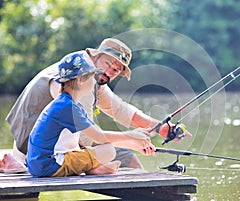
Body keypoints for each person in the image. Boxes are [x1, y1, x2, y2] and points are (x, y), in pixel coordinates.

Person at [6, 38, 191, 172]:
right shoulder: (81, 80)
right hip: (38, 155)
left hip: (37, 151)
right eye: (108, 63)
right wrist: (132, 141)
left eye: (116, 70)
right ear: (96, 56)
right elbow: (88, 139)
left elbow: (120, 110)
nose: (110, 71)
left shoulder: (83, 70)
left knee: (120, 155)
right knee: (126, 157)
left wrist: (159, 128)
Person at [26, 51, 155, 177]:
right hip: (48, 165)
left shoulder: (68, 104)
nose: (94, 82)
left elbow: (93, 135)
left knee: (105, 149)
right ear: (81, 80)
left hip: (40, 163)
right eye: (92, 77)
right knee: (108, 151)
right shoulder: (68, 107)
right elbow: (98, 137)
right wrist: (131, 136)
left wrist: (133, 141)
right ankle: (95, 169)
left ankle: (95, 168)